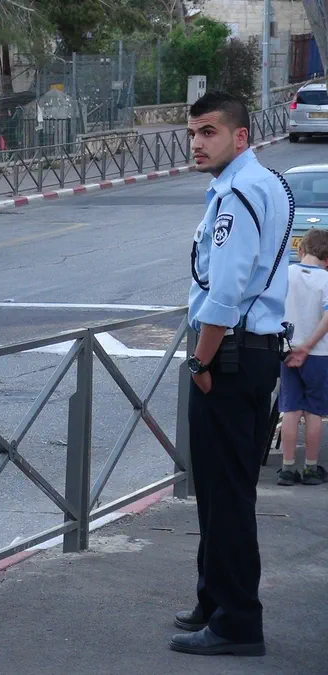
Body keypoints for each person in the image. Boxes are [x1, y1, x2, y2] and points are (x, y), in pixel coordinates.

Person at [171, 91, 292, 657]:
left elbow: (228, 287)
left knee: (227, 495)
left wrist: (201, 357)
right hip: (251, 350)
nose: (196, 143)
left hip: (231, 355)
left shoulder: (238, 192)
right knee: (220, 492)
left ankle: (238, 621)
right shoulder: (263, 183)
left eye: (209, 132)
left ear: (240, 136)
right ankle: (214, 598)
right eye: (192, 132)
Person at [278, 227, 328, 486]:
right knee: (314, 411)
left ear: (300, 250)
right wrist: (308, 346)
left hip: (288, 350)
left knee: (290, 408)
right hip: (317, 353)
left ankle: (287, 467)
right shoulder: (326, 281)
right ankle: (310, 467)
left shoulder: (285, 275)